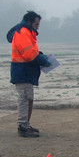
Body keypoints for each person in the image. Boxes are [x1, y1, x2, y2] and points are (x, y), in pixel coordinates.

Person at [7, 10, 51, 138]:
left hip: (25, 71)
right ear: (29, 22)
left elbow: (31, 51)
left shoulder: (27, 33)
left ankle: (25, 124)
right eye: (36, 24)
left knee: (28, 99)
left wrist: (40, 56)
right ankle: (23, 126)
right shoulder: (23, 33)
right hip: (22, 71)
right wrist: (42, 60)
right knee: (25, 99)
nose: (38, 27)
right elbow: (29, 54)